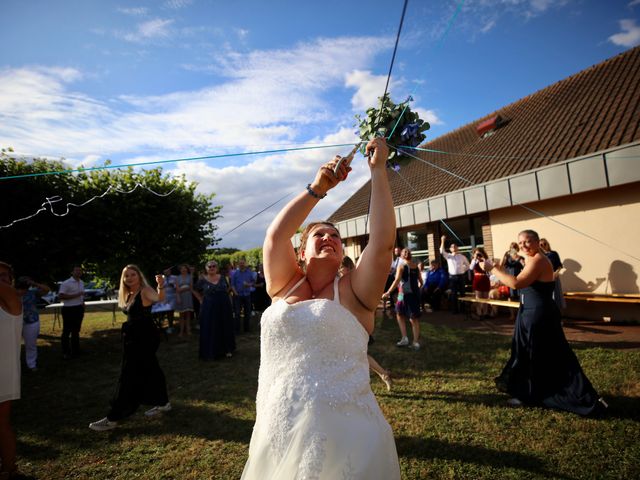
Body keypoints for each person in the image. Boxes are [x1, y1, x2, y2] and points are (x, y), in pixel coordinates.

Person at [241, 137, 400, 479]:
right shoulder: (284, 284)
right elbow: (274, 237)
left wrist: (378, 172)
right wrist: (318, 188)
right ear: (301, 252)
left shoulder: (355, 291)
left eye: (335, 236)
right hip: (277, 421)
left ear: (343, 252)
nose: (329, 238)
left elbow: (383, 242)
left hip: (344, 435)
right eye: (319, 235)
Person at [483, 230, 607, 416]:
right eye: (521, 242)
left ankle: (535, 395)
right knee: (529, 353)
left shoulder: (539, 260)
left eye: (528, 241)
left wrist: (493, 269)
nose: (524, 245)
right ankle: (530, 393)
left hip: (538, 315)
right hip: (529, 312)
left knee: (538, 354)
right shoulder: (531, 259)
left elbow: (516, 283)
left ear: (537, 242)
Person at [89, 265, 170, 431]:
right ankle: (163, 402)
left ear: (139, 276)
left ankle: (113, 417)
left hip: (145, 337)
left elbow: (160, 299)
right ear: (123, 279)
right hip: (134, 337)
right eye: (127, 276)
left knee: (129, 374)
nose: (130, 278)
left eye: (133, 275)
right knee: (152, 369)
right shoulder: (129, 294)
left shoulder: (145, 290)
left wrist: (160, 284)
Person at [341, 256, 392, 392]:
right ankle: (382, 374)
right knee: (358, 355)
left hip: (356, 324)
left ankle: (381, 375)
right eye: (340, 271)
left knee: (359, 355)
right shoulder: (340, 282)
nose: (341, 274)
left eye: (342, 270)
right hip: (344, 324)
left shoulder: (356, 282)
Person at [0, 262, 23, 479]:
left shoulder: (12, 302)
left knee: (1, 424)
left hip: (3, 373)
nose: (2, 280)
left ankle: (9, 469)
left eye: (5, 276)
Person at [193, 261, 235, 360]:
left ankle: (227, 349)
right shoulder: (202, 279)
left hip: (224, 306)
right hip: (209, 307)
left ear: (217, 268)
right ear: (206, 268)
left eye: (214, 266)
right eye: (209, 266)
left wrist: (229, 300)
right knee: (211, 327)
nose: (212, 268)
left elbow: (228, 289)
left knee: (225, 326)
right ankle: (212, 351)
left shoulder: (223, 277)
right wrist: (200, 299)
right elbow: (194, 289)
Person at [383, 248, 423, 350]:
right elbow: (421, 281)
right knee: (405, 315)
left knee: (404, 315)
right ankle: (414, 341)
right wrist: (419, 287)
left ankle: (408, 339)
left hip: (403, 294)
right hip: (411, 294)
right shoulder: (416, 267)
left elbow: (396, 281)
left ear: (401, 256)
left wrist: (388, 292)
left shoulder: (402, 266)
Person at [15, 277, 50, 372]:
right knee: (12, 345)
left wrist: (35, 283)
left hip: (31, 322)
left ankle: (31, 364)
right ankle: (13, 365)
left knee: (31, 345)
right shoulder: (11, 292)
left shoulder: (33, 292)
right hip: (14, 322)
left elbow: (47, 289)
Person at [58, 265, 85, 359]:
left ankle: (76, 351)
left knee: (76, 331)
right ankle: (66, 352)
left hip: (79, 309)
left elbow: (81, 295)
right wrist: (76, 295)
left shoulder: (81, 282)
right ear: (72, 272)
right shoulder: (66, 283)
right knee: (66, 331)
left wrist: (82, 303)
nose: (79, 272)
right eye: (76, 270)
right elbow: (61, 296)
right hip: (69, 309)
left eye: (80, 270)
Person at [439, 236, 469, 313]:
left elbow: (468, 265)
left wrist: (462, 270)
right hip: (452, 277)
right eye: (452, 246)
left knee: (463, 293)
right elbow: (441, 251)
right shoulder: (448, 256)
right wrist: (442, 241)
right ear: (450, 249)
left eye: (455, 246)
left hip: (461, 276)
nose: (454, 247)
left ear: (457, 248)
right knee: (453, 293)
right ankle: (454, 310)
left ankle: (463, 309)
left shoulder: (462, 256)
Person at [539, 238, 566, 311]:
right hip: (544, 279)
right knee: (547, 298)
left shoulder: (554, 254)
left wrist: (556, 273)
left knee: (556, 297)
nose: (543, 246)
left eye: (545, 244)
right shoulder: (540, 256)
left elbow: (559, 266)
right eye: (541, 244)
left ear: (548, 244)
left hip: (554, 277)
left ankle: (559, 319)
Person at [230, 259, 254, 333]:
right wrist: (235, 293)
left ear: (245, 264)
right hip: (238, 295)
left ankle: (246, 329)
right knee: (237, 313)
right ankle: (237, 330)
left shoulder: (249, 273)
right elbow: (232, 285)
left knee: (247, 312)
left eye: (243, 263)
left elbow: (253, 282)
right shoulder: (235, 273)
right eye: (240, 263)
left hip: (247, 295)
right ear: (238, 265)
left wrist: (249, 284)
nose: (242, 264)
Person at [469, 247, 491, 319]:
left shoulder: (486, 259)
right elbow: (471, 268)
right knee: (478, 298)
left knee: (485, 297)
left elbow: (490, 269)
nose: (478, 255)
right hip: (477, 279)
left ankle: (485, 313)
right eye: (476, 253)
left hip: (485, 279)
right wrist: (475, 259)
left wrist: (484, 259)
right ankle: (479, 313)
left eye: (479, 253)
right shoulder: (474, 261)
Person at [175, 264, 194, 337]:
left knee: (188, 314)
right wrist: (178, 296)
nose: (184, 270)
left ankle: (188, 330)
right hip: (181, 297)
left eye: (185, 268)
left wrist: (182, 289)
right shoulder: (177, 278)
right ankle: (181, 331)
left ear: (187, 269)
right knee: (181, 315)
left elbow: (191, 287)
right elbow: (177, 289)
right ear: (180, 270)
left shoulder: (190, 276)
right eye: (182, 269)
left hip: (188, 296)